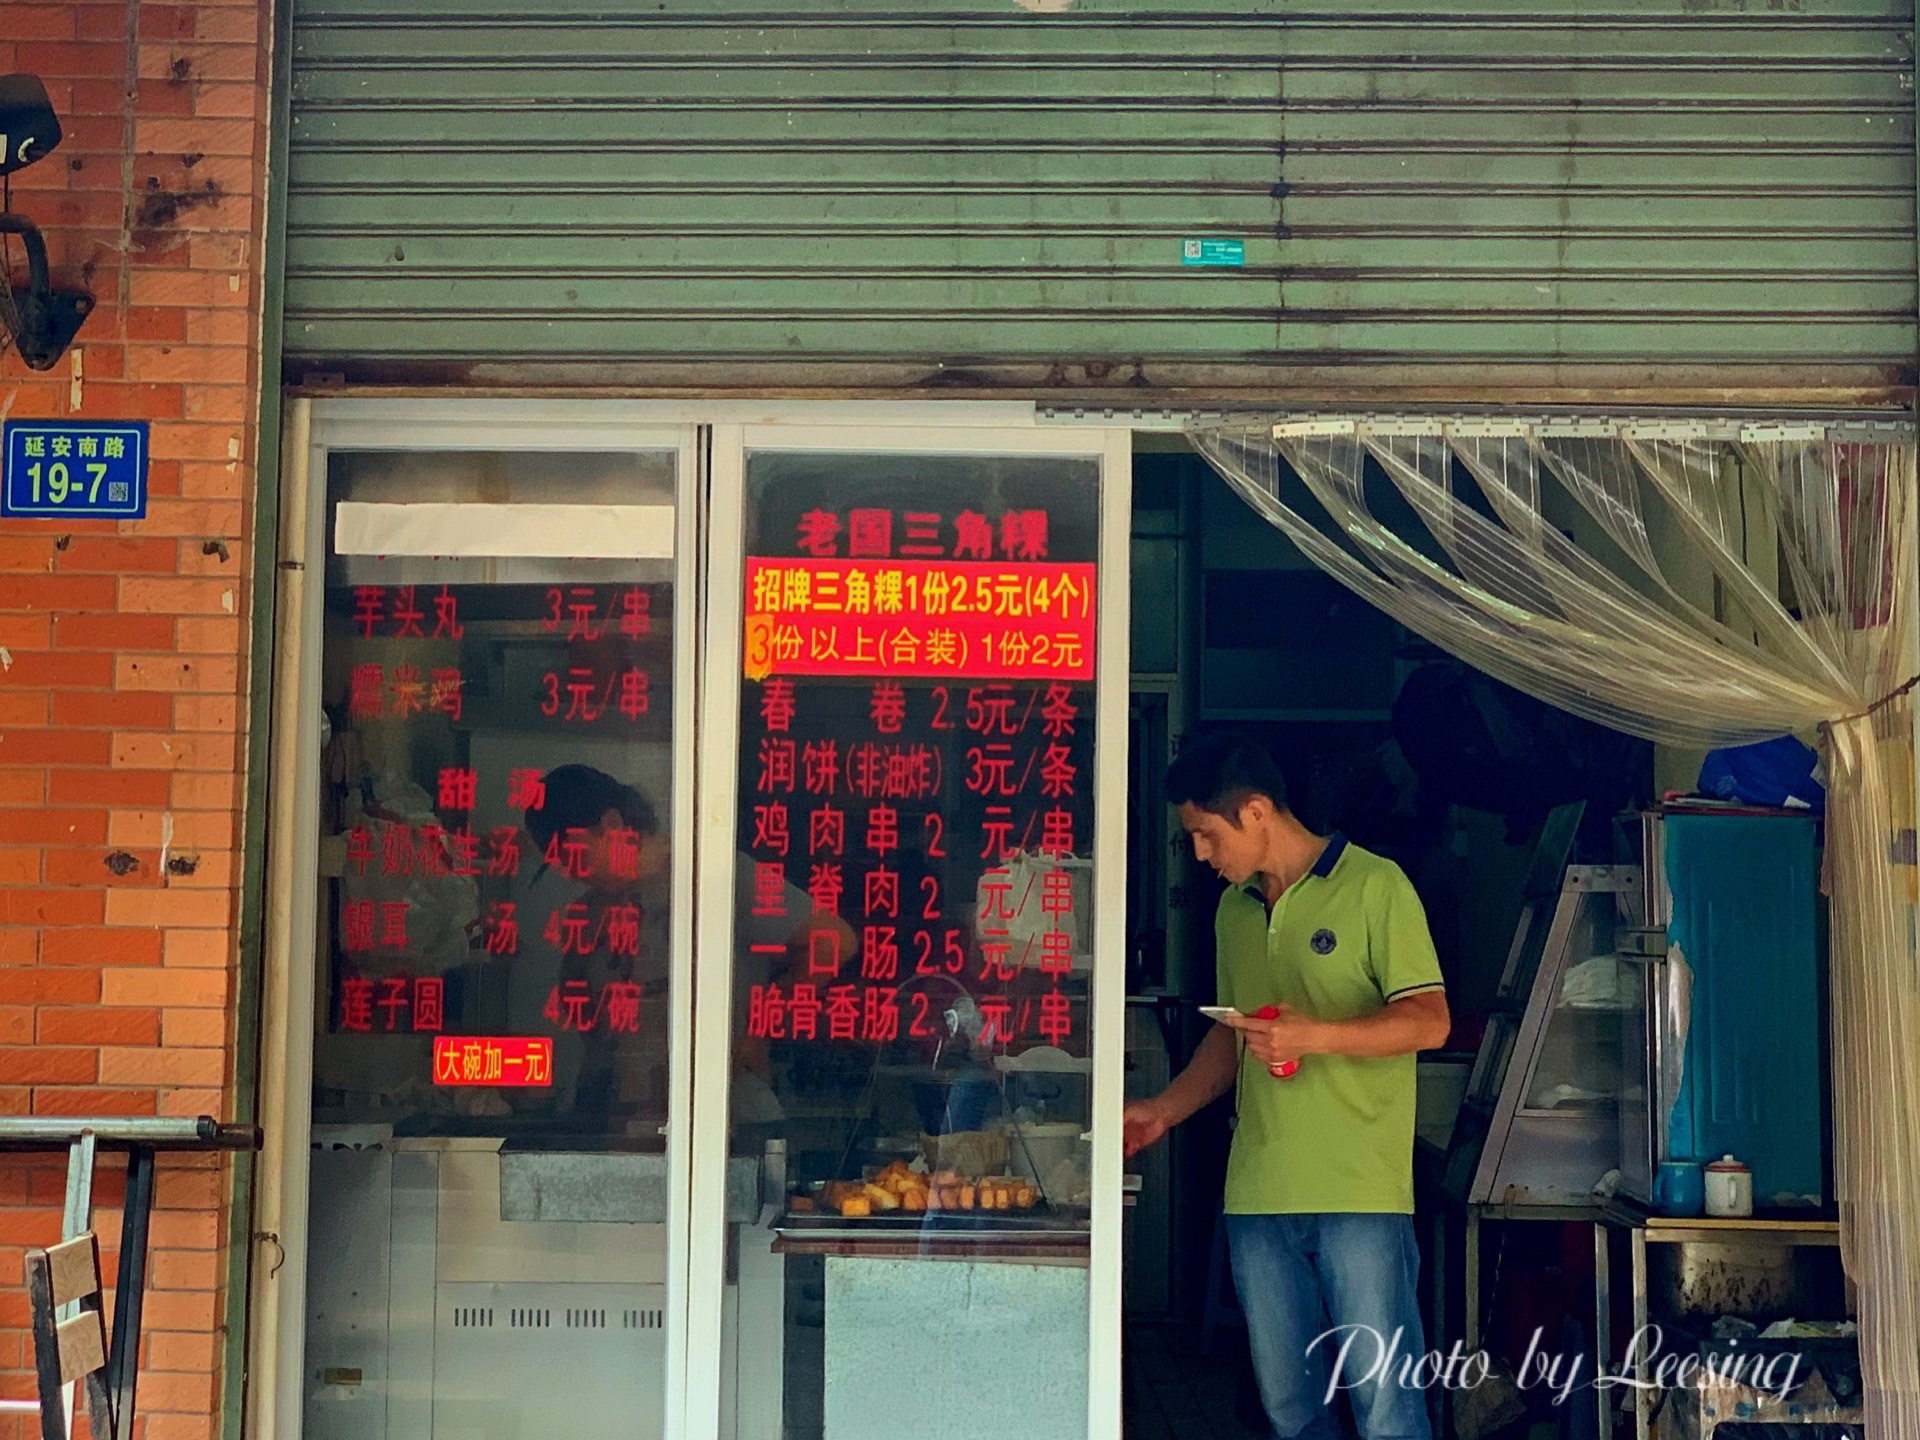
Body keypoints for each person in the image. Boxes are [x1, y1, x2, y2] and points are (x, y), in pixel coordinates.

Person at [1124, 732, 1450, 1440]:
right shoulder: (1235, 910)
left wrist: (1316, 1036)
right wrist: (1161, 1112)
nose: (1200, 855)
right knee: (1291, 1413)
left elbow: (1430, 1021)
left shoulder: (1376, 886)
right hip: (1259, 1195)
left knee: (1388, 1412)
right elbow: (1231, 1039)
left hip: (1360, 1194)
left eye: (1207, 835)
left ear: (1256, 811)